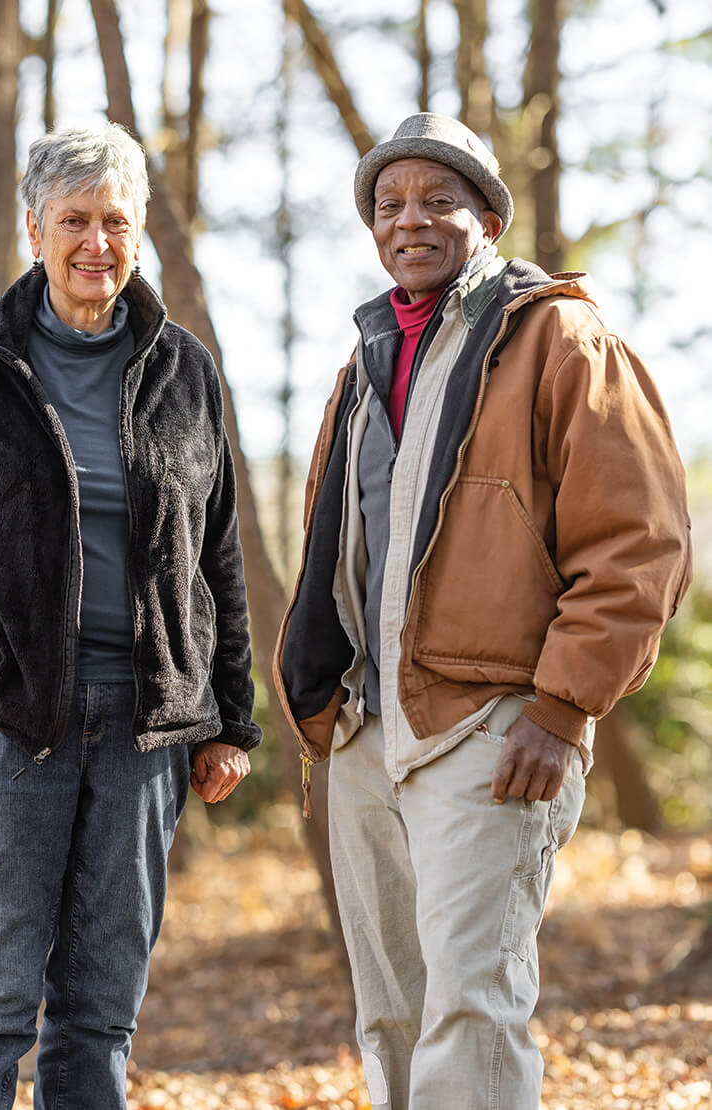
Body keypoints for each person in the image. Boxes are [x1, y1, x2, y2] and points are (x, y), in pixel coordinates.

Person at [0, 122, 261, 1108]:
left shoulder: (184, 369)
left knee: (102, 1008)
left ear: (139, 234)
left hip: (148, 729)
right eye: (75, 219)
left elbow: (217, 553)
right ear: (35, 229)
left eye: (115, 219)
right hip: (6, 718)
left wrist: (232, 719)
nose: (95, 242)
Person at [273, 113, 691, 1109]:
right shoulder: (363, 365)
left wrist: (561, 708)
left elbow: (641, 542)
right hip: (369, 732)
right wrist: (324, 722)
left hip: (494, 727)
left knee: (472, 1002)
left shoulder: (562, 337)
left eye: (437, 199)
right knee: (393, 1016)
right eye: (389, 205)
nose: (409, 221)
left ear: (489, 217)